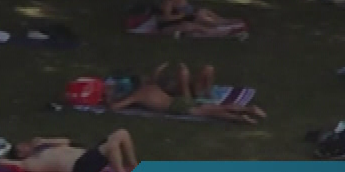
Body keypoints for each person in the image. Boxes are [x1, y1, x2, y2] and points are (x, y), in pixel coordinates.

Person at [108, 64, 266, 124]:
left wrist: (108, 98)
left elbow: (116, 107)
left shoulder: (137, 95)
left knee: (213, 112)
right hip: (178, 101)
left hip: (177, 106)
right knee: (213, 109)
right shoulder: (151, 87)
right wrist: (160, 69)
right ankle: (247, 111)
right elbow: (154, 77)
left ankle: (244, 116)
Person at [11, 130, 138, 172]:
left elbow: (66, 141)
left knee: (122, 133)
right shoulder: (32, 161)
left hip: (87, 156)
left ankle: (134, 167)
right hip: (80, 168)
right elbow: (14, 164)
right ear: (20, 155)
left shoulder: (44, 147)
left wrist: (45, 140)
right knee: (112, 146)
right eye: (21, 148)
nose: (24, 145)